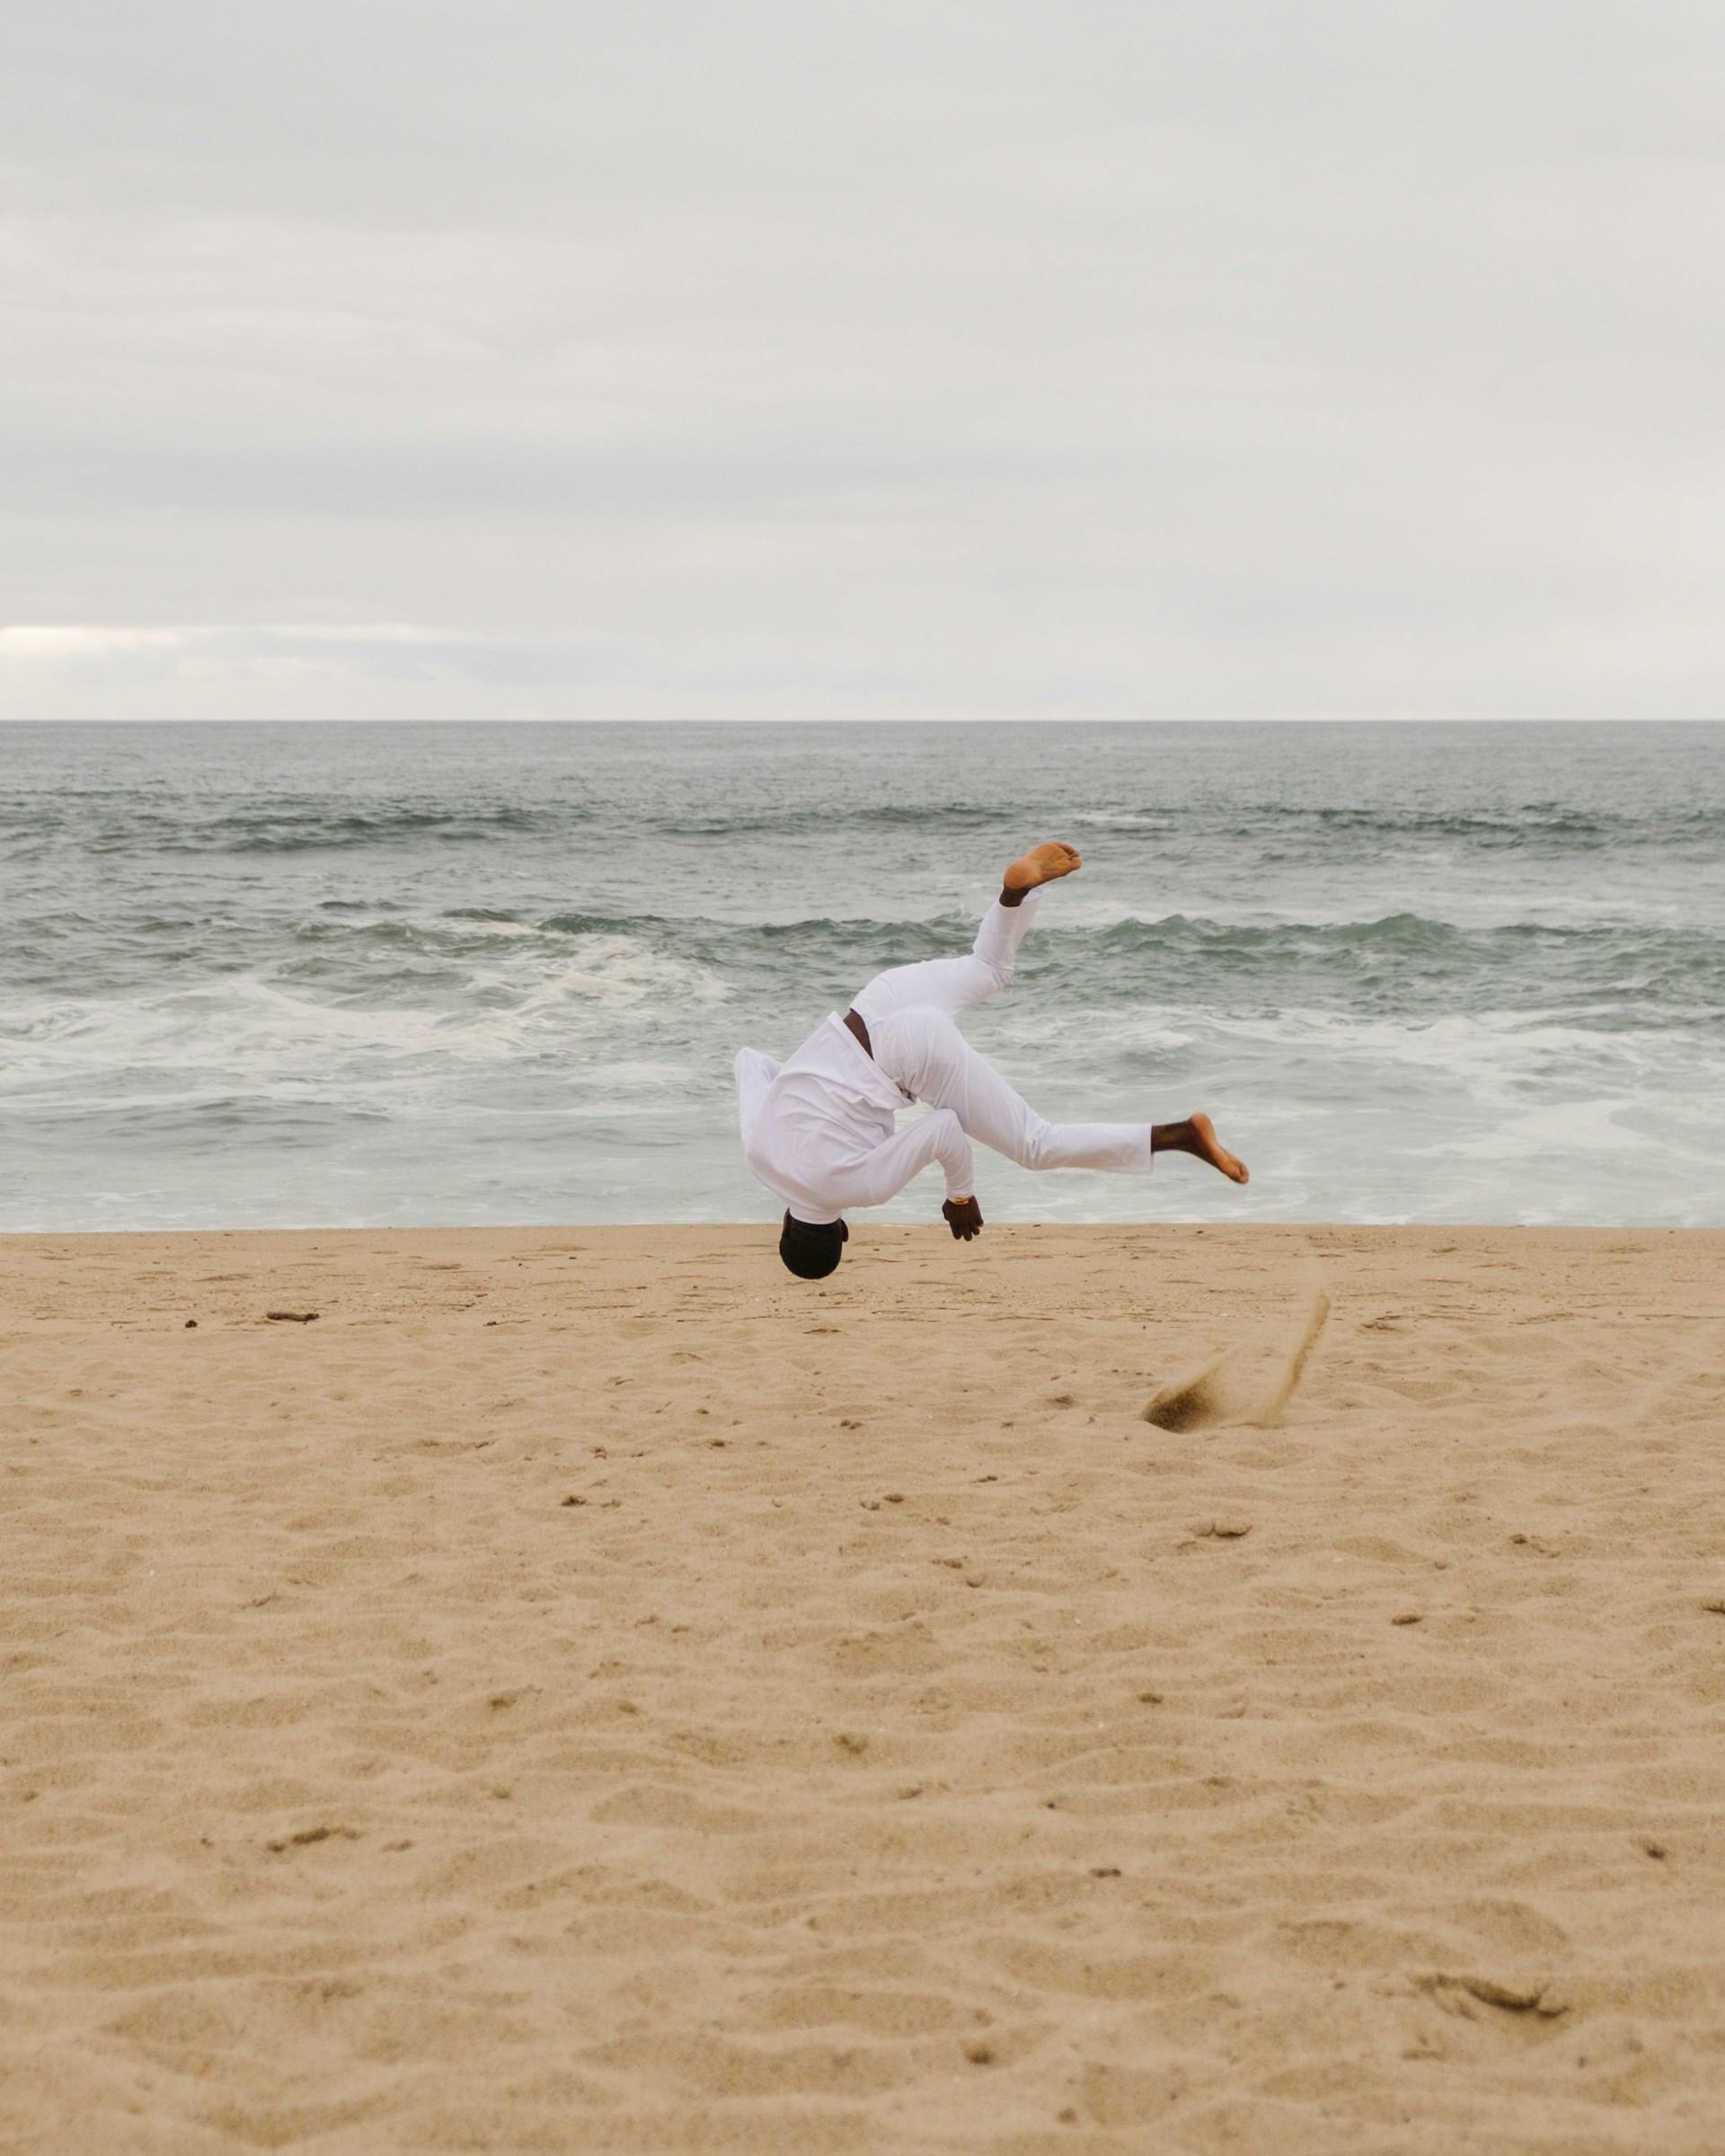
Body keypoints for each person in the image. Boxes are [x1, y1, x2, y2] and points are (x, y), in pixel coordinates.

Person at [734, 844, 1249, 1280]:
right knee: (989, 968)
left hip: (910, 1050)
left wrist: (961, 1196)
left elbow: (943, 1129)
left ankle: (1180, 1135)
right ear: (785, 1222)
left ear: (840, 1231)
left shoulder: (856, 1189)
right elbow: (749, 1061)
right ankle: (1015, 893)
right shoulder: (759, 1149)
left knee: (1035, 1144)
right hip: (874, 1002)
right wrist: (807, 1090)